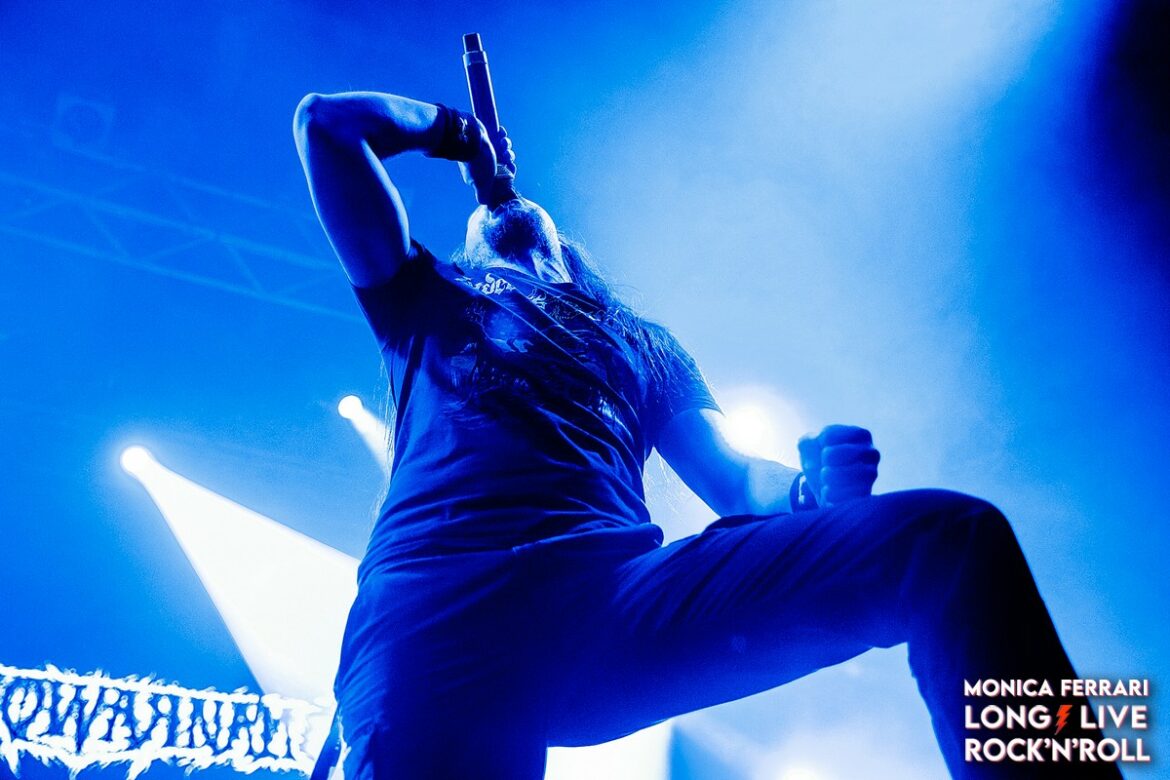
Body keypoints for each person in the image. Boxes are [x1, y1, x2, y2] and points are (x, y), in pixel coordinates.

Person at [293, 91, 1121, 780]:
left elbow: (737, 482)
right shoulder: (427, 300)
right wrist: (455, 132)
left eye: (516, 207)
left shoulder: (642, 344)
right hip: (439, 614)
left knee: (949, 538)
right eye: (480, 221)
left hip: (605, 604)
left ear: (569, 251)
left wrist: (809, 492)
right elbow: (326, 126)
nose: (495, 211)